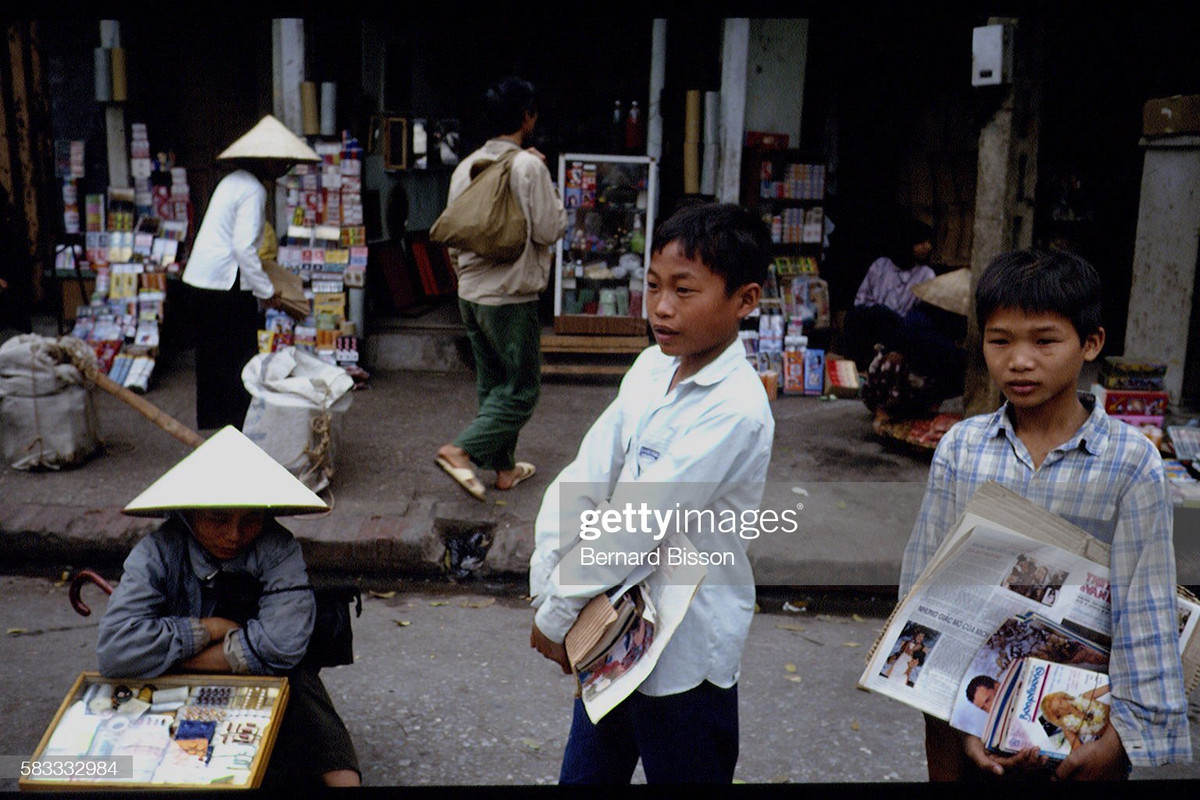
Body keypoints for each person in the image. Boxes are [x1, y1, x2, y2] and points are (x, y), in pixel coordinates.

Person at [899, 248, 1191, 782]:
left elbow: (1144, 610)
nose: (1019, 360)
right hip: (964, 717)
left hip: (1082, 726)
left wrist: (1121, 739)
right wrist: (961, 717)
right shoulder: (963, 448)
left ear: (1091, 344)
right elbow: (927, 589)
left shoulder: (1130, 462)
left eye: (1045, 340)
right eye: (1000, 340)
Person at [527, 202, 775, 784]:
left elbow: (638, 520)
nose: (662, 307)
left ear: (745, 300)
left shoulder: (736, 409)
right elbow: (585, 478)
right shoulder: (649, 368)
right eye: (654, 286)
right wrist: (549, 587)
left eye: (684, 291)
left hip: (685, 657)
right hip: (612, 634)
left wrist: (560, 610)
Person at [96, 426, 360, 787]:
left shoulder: (278, 548)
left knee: (300, 683)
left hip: (259, 672)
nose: (234, 534)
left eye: (250, 519)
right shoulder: (156, 552)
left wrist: (173, 656)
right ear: (188, 515)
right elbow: (115, 652)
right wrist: (211, 629)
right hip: (172, 685)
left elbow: (283, 644)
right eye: (218, 519)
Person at [435, 76, 567, 502]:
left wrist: (465, 281)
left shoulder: (463, 168)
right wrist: (551, 188)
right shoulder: (529, 167)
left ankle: (505, 469)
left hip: (471, 295)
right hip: (511, 297)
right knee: (522, 389)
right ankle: (460, 450)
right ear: (527, 118)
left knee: (493, 387)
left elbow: (455, 235)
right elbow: (550, 229)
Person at [182, 115, 319, 431]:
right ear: (267, 161)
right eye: (280, 162)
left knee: (213, 358)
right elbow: (243, 249)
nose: (284, 168)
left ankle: (216, 422)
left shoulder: (233, 181)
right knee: (238, 357)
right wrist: (266, 292)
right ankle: (235, 423)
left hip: (204, 280)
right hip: (223, 284)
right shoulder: (253, 190)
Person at [841, 218, 936, 371]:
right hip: (874, 322)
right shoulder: (880, 265)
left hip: (902, 330)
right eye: (921, 242)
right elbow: (860, 300)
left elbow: (923, 313)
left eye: (928, 242)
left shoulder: (926, 274)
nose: (927, 247)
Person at [1041, 686, 1112, 753]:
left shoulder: (1085, 697)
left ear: (1063, 698)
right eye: (1058, 710)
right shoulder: (1067, 727)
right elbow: (1077, 748)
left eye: (1061, 703)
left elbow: (1110, 686)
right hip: (1111, 734)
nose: (1063, 708)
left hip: (1116, 713)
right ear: (1057, 716)